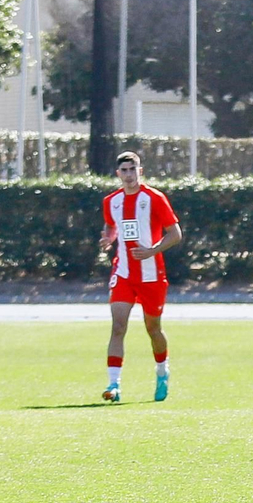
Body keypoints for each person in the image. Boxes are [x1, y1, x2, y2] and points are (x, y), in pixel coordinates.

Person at [100, 152, 183, 403]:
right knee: (118, 326)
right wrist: (109, 238)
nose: (129, 175)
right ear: (118, 174)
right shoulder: (111, 201)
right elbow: (111, 225)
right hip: (123, 273)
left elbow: (175, 234)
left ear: (140, 171)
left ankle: (162, 372)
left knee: (153, 328)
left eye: (132, 169)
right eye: (124, 170)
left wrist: (151, 251)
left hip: (151, 275)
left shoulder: (154, 198)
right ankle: (114, 385)